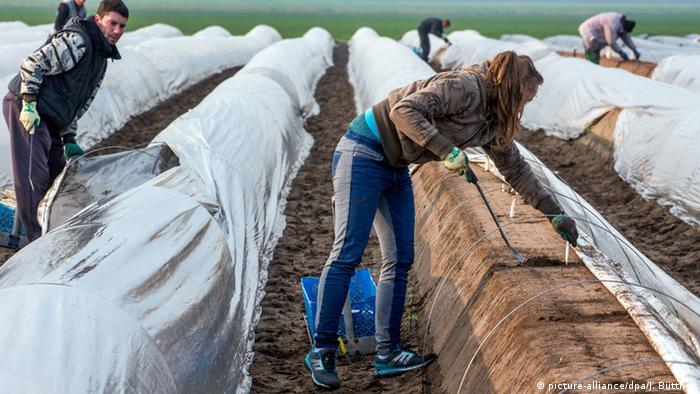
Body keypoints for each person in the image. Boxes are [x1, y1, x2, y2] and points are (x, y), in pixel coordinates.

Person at [305, 51, 579, 389]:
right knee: (348, 251)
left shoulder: (494, 120)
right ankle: (323, 349)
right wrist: (446, 149)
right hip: (364, 151)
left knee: (400, 258)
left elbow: (516, 170)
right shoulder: (464, 86)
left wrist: (555, 214)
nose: (523, 108)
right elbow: (403, 110)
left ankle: (387, 352)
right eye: (523, 98)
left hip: (395, 167)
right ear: (510, 88)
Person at [2, 0, 128, 242]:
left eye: (122, 26)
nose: (117, 31)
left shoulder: (101, 58)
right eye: (113, 23)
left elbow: (77, 101)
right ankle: (35, 241)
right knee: (33, 176)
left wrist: (69, 136)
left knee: (58, 176)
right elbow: (32, 64)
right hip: (28, 106)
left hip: (52, 117)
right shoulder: (78, 41)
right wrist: (28, 103)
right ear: (98, 19)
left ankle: (55, 232)